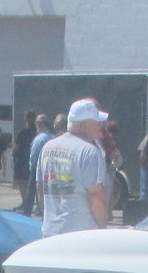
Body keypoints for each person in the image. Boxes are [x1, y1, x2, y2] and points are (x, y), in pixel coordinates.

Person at [40, 98, 110, 242]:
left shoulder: (47, 147)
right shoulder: (89, 152)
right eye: (96, 122)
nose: (100, 126)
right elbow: (95, 196)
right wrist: (103, 230)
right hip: (80, 235)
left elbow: (40, 188)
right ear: (84, 126)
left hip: (50, 232)